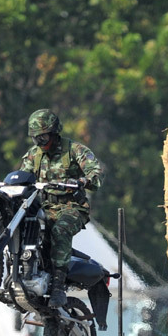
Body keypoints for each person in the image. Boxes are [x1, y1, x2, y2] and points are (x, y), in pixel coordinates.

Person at [17, 108, 105, 308]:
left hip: (71, 207)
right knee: (21, 224)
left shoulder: (74, 150)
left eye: (43, 137)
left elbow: (96, 172)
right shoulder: (34, 155)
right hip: (43, 206)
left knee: (61, 229)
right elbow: (23, 177)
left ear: (54, 132)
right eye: (35, 138)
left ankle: (58, 287)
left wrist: (82, 181)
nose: (39, 142)